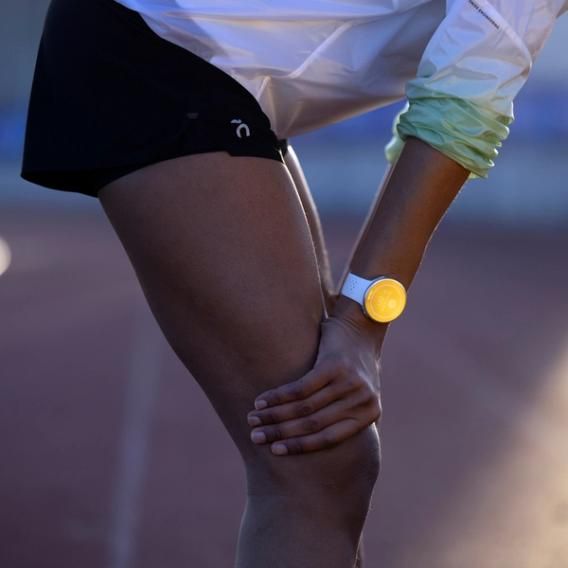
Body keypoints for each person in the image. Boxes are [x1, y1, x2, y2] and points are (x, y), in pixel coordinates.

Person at [21, 0, 566, 566]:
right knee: (317, 460)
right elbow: (459, 109)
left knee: (332, 459)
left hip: (218, 71)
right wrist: (359, 320)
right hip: (162, 43)